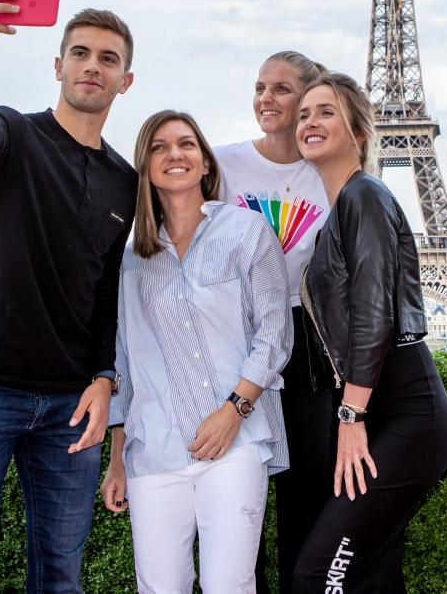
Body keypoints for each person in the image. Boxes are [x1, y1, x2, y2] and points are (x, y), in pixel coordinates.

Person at [0, 0, 137, 593]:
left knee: (61, 576)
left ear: (126, 81)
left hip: (70, 408)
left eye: (108, 58)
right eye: (80, 53)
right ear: (57, 65)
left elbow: (106, 295)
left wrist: (104, 377)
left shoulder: (125, 183)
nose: (92, 67)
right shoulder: (11, 135)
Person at [99, 110, 291, 593]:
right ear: (146, 167)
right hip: (153, 451)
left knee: (230, 585)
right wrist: (117, 457)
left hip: (235, 443)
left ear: (205, 162)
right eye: (159, 147)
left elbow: (275, 334)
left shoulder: (247, 232)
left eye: (185, 144)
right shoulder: (129, 262)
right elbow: (124, 362)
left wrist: (236, 409)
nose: (174, 154)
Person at [291, 72, 447, 592]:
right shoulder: (345, 206)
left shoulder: (364, 195)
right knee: (371, 573)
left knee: (320, 575)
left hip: (400, 410)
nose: (310, 121)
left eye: (326, 111)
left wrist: (351, 413)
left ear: (358, 131)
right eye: (304, 113)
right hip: (388, 408)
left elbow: (372, 313)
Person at [212, 51, 332, 592]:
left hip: (306, 340)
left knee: (306, 493)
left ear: (307, 99)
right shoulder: (222, 164)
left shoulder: (328, 174)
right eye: (260, 87)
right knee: (241, 495)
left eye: (282, 89)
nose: (266, 98)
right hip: (238, 340)